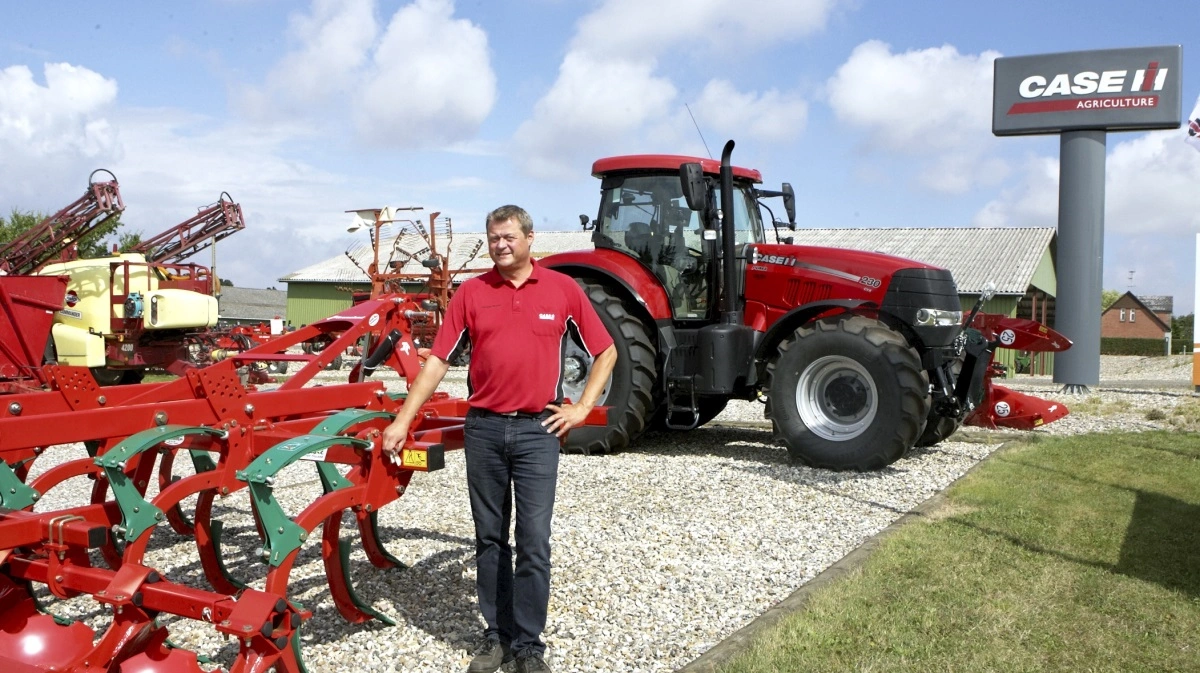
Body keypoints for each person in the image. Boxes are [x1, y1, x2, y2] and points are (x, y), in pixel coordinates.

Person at [381, 204, 617, 673]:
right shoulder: (472, 293)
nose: (500, 245)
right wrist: (403, 420)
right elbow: (436, 363)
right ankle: (496, 636)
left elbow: (605, 350)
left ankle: (529, 645)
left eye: (508, 237)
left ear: (529, 238)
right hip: (484, 429)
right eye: (493, 238)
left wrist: (581, 407)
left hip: (537, 431)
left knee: (533, 540)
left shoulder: (562, 289)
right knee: (490, 539)